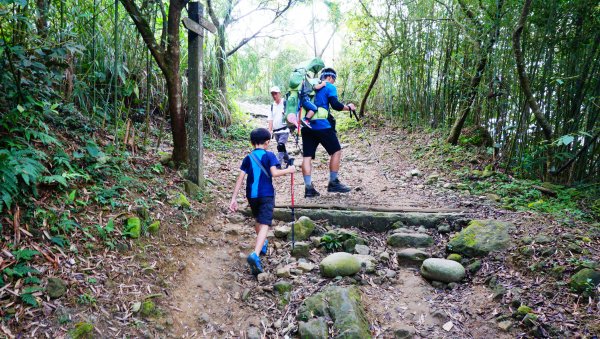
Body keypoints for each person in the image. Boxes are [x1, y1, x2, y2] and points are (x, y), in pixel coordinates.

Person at [229, 128, 296, 275]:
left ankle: (262, 241)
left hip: (251, 195)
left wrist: (233, 198)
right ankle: (255, 254)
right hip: (266, 194)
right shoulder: (270, 155)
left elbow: (240, 178)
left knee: (258, 219)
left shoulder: (248, 158)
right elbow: (275, 173)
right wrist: (289, 170)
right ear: (267, 142)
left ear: (252, 143)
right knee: (265, 223)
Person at [301, 67, 355, 198]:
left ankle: (308, 189)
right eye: (334, 79)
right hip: (322, 125)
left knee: (307, 157)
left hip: (306, 125)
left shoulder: (311, 87)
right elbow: (335, 105)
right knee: (336, 151)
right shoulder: (329, 86)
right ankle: (333, 182)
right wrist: (349, 108)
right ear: (331, 78)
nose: (333, 81)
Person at [267, 86, 291, 166]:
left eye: (276, 94)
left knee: (280, 146)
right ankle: (289, 161)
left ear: (279, 93)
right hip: (276, 131)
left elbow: (291, 114)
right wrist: (269, 131)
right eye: (272, 94)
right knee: (282, 147)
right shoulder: (272, 106)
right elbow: (270, 119)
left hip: (284, 130)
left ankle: (278, 164)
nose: (274, 96)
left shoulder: (285, 102)